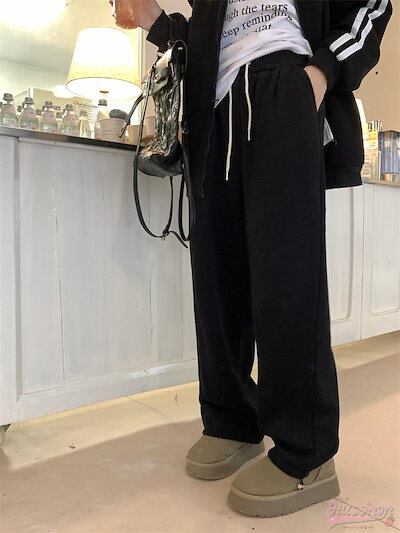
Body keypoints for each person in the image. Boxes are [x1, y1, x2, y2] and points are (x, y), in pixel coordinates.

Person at [110, 0, 392, 518]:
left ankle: (306, 450)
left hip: (283, 83)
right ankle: (231, 421)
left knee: (287, 274)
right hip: (211, 105)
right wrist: (153, 21)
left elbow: (371, 6)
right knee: (216, 276)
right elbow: (204, 38)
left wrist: (320, 73)